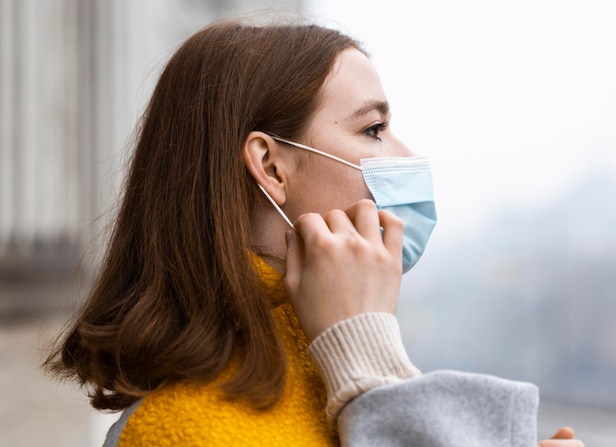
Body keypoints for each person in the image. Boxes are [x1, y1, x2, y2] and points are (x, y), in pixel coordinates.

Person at [45, 18, 584, 447]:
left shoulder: (319, 368)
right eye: (373, 129)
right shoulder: (189, 431)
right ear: (271, 167)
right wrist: (367, 354)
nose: (408, 156)